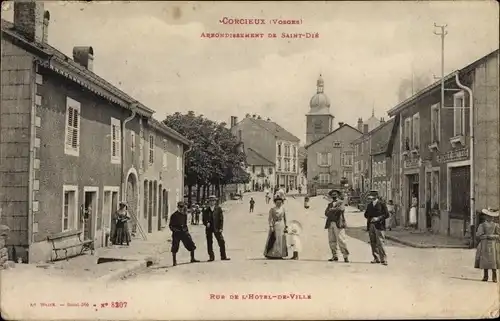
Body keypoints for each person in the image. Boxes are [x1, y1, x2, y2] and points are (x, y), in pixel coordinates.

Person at [169, 201, 200, 266]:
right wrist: (175, 230)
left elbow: (185, 224)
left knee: (191, 244)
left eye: (182, 207)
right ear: (177, 207)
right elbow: (171, 226)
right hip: (176, 233)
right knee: (175, 246)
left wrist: (186, 231)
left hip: (184, 232)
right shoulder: (174, 215)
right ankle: (174, 261)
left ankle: (192, 258)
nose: (181, 208)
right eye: (180, 207)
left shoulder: (184, 215)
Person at [474, 208, 500, 282]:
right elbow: (479, 235)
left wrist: (493, 236)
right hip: (484, 244)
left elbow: (499, 235)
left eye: (492, 217)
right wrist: (486, 236)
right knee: (485, 260)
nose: (490, 218)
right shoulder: (482, 225)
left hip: (493, 245)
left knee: (493, 260)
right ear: (486, 217)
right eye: (489, 216)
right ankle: (485, 276)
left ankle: (494, 277)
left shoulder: (496, 225)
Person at [202, 195, 230, 261]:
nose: (212, 202)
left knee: (221, 241)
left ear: (215, 202)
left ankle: (223, 256)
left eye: (213, 201)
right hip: (209, 229)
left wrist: (221, 228)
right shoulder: (206, 210)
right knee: (209, 242)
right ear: (209, 202)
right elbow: (203, 220)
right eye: (210, 201)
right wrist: (206, 223)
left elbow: (221, 219)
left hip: (217, 228)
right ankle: (211, 257)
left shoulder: (218, 209)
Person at [324, 190, 349, 263]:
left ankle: (345, 256)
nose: (334, 196)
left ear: (338, 195)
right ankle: (334, 256)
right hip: (330, 223)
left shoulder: (341, 202)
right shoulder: (330, 204)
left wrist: (332, 210)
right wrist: (333, 210)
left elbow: (341, 209)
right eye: (332, 195)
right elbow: (326, 213)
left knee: (341, 240)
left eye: (335, 194)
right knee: (332, 240)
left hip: (338, 223)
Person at [364, 195, 389, 265]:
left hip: (379, 225)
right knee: (373, 242)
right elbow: (365, 214)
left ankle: (383, 259)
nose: (370, 198)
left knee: (380, 242)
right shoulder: (369, 205)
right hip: (371, 225)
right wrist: (370, 217)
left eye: (372, 197)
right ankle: (376, 258)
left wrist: (378, 218)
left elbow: (387, 214)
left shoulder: (382, 204)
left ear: (376, 197)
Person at [264, 195, 288, 259]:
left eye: (280, 203)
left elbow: (285, 218)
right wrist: (271, 226)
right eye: (277, 203)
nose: (279, 204)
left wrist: (286, 226)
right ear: (275, 203)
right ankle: (272, 254)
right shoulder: (272, 209)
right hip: (275, 225)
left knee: (281, 240)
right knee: (274, 239)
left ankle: (280, 254)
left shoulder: (283, 209)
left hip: (281, 225)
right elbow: (270, 219)